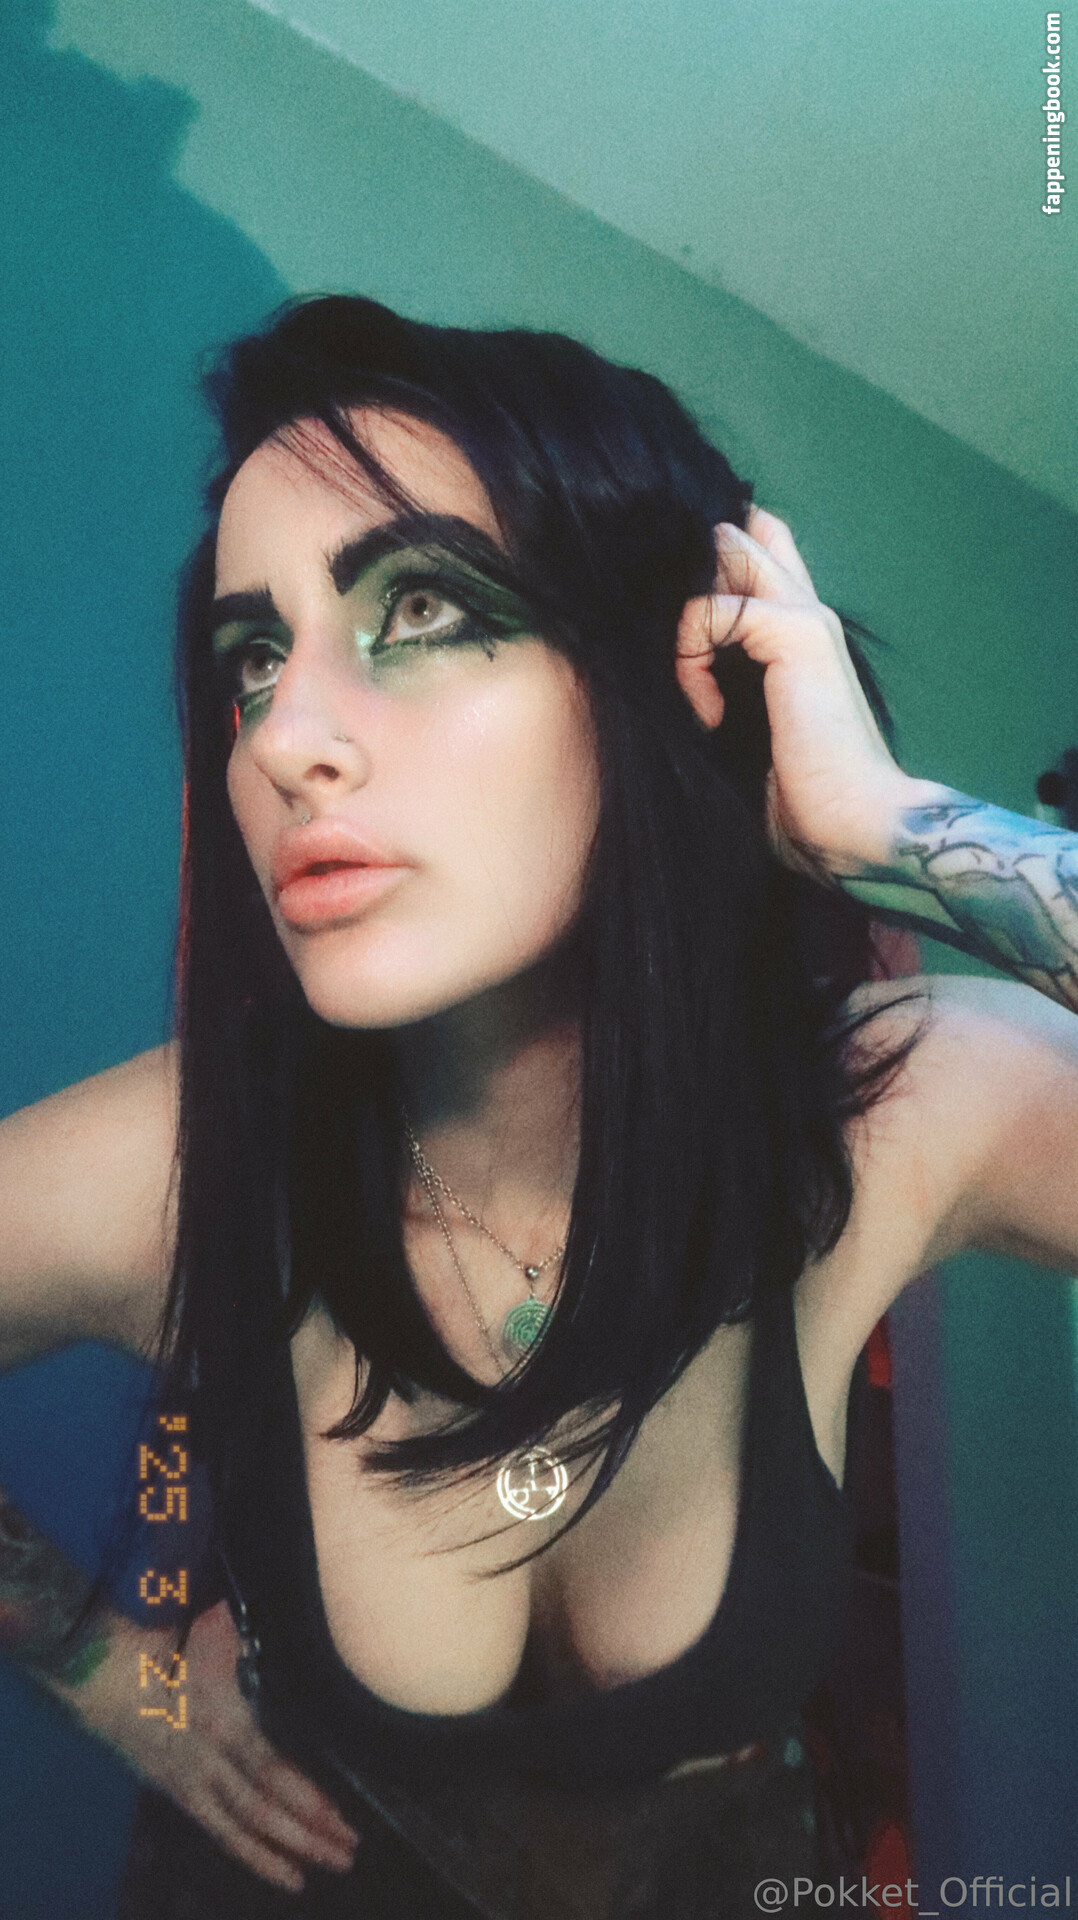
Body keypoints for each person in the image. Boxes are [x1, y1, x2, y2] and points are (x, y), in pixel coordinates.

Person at [1, 295, 1077, 1919]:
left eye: (419, 605)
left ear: (666, 669)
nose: (285, 739)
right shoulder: (182, 1158)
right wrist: (106, 1669)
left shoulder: (894, 1110)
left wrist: (884, 824)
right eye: (252, 660)